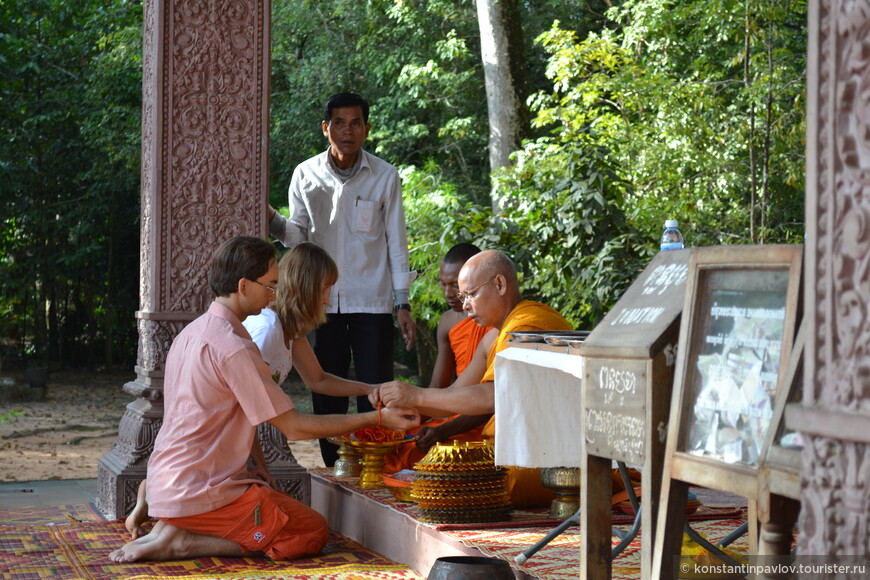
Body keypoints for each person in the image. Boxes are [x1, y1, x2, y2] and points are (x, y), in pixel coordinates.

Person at [109, 236, 419, 563]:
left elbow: (280, 397)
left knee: (279, 510)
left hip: (186, 477)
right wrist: (377, 419)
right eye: (271, 285)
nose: (275, 294)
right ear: (244, 286)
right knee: (311, 531)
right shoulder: (237, 346)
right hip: (201, 487)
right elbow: (294, 428)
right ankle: (183, 541)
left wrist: (257, 464)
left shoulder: (195, 331)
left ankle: (175, 524)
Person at [269, 92, 416, 467]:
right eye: (339, 123)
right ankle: (338, 468)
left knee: (377, 387)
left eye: (355, 123)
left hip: (373, 301)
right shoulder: (306, 174)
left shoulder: (385, 175)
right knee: (326, 392)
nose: (347, 131)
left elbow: (396, 242)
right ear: (325, 128)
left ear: (367, 129)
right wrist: (268, 217)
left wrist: (403, 302)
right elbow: (298, 238)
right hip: (320, 302)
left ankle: (379, 468)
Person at [374, 250, 572, 508]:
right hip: (507, 451)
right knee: (419, 469)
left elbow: (492, 397)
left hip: (536, 462)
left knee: (437, 483)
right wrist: (394, 400)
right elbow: (455, 394)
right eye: (463, 296)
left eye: (471, 294)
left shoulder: (527, 326)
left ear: (500, 284)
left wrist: (416, 395)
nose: (465, 305)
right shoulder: (495, 334)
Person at [383, 243, 497, 473]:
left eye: (455, 285)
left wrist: (445, 430)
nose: (448, 293)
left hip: (486, 416)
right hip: (453, 407)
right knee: (397, 444)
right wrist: (404, 418)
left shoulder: (495, 322)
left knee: (441, 455)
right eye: (443, 284)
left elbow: (491, 397)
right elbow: (438, 386)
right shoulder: (447, 322)